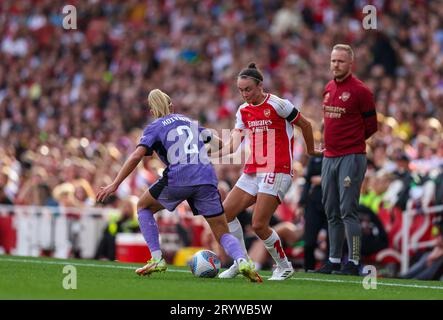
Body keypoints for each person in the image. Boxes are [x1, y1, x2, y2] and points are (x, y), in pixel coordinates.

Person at [96, 89, 262, 282]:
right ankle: (243, 260)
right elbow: (219, 144)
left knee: (142, 206)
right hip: (206, 176)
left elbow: (136, 156)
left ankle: (157, 259)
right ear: (171, 106)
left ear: (152, 111)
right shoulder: (190, 122)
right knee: (222, 231)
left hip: (179, 177)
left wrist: (115, 183)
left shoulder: (154, 127)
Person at [213, 63, 322, 281]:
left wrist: (310, 150)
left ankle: (284, 266)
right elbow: (233, 145)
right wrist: (212, 148)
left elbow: (306, 125)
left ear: (260, 86)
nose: (244, 94)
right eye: (241, 90)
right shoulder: (243, 111)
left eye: (248, 89)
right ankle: (240, 261)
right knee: (225, 215)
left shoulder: (278, 104)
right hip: (254, 169)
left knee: (259, 224)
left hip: (278, 168)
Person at [311, 44, 378, 275]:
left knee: (348, 209)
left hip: (351, 157)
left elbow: (371, 126)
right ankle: (333, 259)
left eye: (340, 61)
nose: (335, 65)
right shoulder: (328, 88)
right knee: (331, 210)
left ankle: (354, 260)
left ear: (351, 64)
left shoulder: (361, 91)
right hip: (329, 156)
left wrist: (351, 143)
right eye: (333, 61)